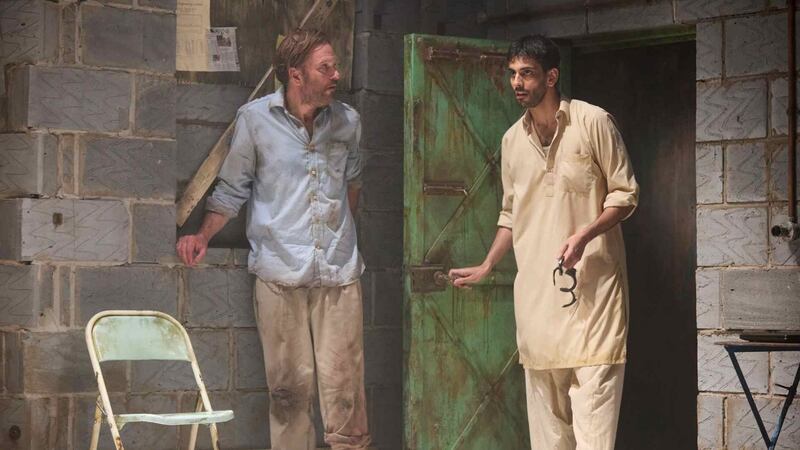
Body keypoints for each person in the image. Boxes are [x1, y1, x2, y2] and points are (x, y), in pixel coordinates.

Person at [176, 29, 370, 450]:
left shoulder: (348, 122)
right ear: (296, 74)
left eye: (336, 66)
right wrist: (203, 235)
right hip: (279, 275)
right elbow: (232, 188)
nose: (336, 75)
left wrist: (341, 235)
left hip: (338, 273)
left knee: (346, 393)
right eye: (325, 68)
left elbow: (352, 186)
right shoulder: (255, 120)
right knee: (288, 395)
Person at [449, 34, 639, 450]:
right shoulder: (511, 141)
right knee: (549, 441)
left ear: (551, 77)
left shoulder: (593, 122)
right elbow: (510, 215)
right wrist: (487, 264)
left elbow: (625, 195)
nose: (517, 83)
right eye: (513, 74)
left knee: (593, 437)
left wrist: (585, 234)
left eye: (527, 73)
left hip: (594, 302)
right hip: (537, 307)